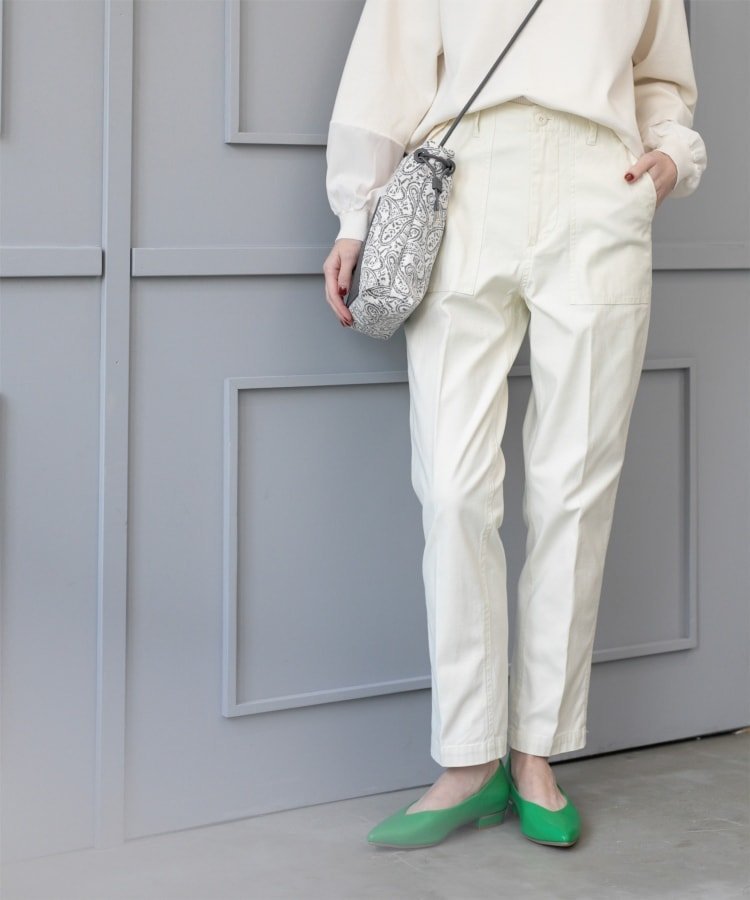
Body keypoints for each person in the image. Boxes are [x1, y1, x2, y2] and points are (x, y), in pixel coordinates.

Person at [322, 0, 707, 849]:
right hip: (466, 178)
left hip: (600, 184)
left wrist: (669, 157)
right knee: (453, 489)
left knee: (574, 490)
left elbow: (661, 75)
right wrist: (356, 214)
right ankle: (469, 760)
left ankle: (537, 753)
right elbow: (387, 64)